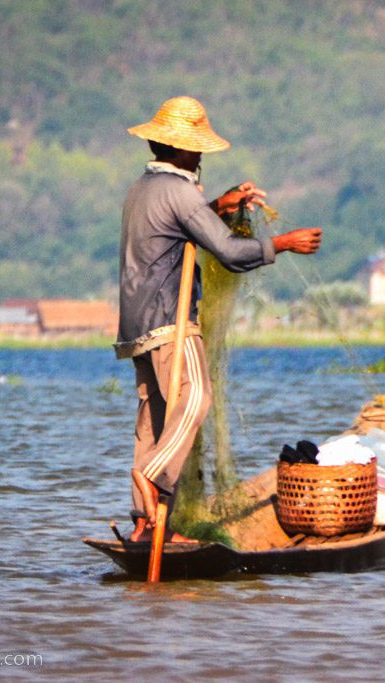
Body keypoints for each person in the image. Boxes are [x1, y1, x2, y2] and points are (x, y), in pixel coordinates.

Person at [115, 96, 321, 542]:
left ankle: (147, 529)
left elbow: (182, 226)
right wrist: (281, 243)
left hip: (136, 326)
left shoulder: (143, 189)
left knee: (154, 420)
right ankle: (151, 478)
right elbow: (228, 252)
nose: (202, 155)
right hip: (171, 319)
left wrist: (221, 205)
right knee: (196, 400)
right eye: (197, 148)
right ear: (182, 149)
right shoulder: (178, 190)